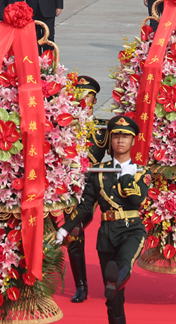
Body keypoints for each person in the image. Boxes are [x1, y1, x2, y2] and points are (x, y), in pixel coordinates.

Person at [56, 116, 149, 324]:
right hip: (107, 234)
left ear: (133, 141)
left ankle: (114, 280)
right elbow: (86, 205)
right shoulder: (98, 172)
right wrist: (65, 229)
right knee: (113, 302)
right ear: (111, 140)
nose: (120, 140)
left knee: (124, 264)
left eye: (126, 136)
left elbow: (136, 198)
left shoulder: (141, 171)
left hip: (131, 230)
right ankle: (114, 288)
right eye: (116, 135)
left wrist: (126, 175)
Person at [64, 76, 102, 303]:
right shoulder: (60, 127)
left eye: (88, 98)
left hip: (88, 190)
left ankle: (81, 286)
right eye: (79, 97)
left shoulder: (101, 130)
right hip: (62, 187)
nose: (83, 103)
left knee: (75, 229)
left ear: (94, 101)